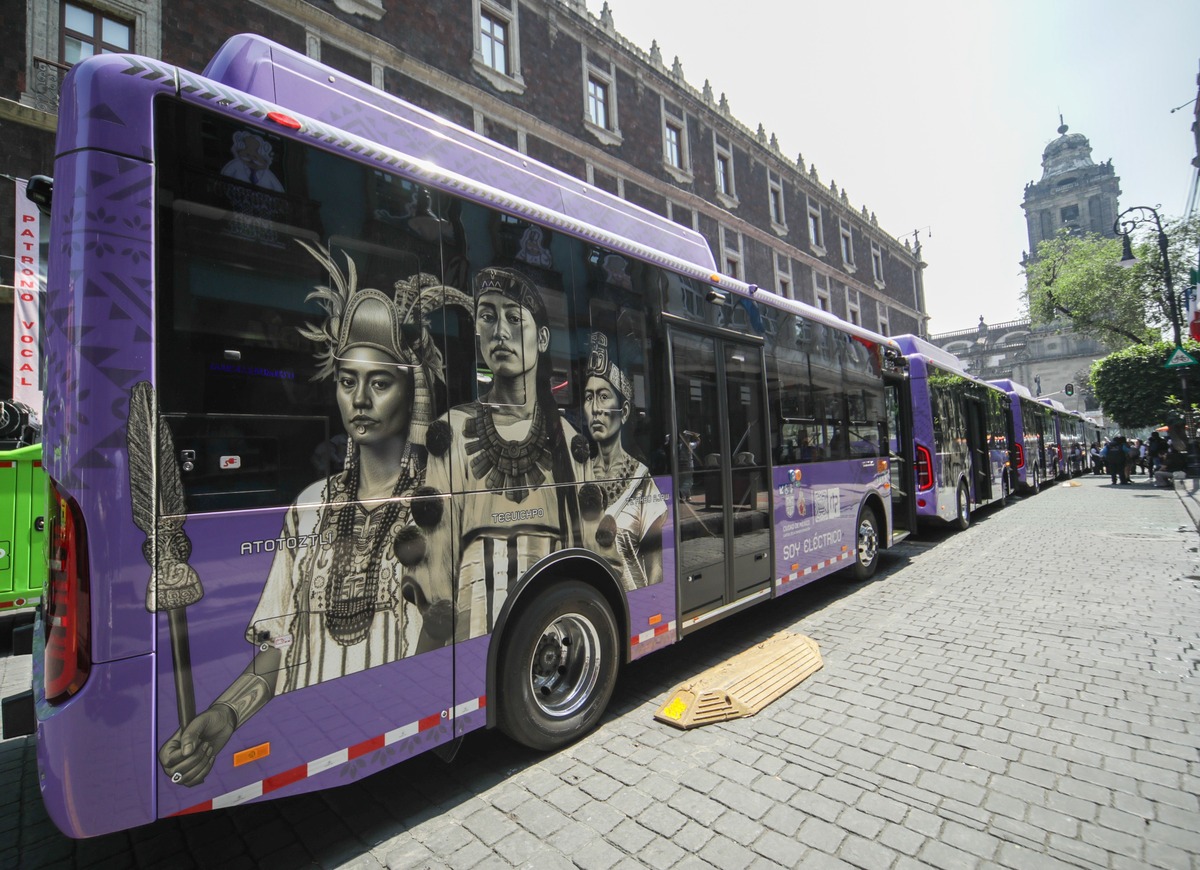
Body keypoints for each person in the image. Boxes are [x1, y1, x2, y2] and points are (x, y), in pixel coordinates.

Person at [158, 247, 464, 787]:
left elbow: (446, 640)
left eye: (380, 382)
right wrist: (224, 716)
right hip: (318, 732)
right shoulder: (307, 508)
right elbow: (277, 650)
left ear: (411, 389)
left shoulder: (437, 506)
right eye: (348, 381)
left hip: (396, 727)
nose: (360, 399)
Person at [421, 266, 587, 641]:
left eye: (514, 318)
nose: (499, 332)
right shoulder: (451, 433)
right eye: (487, 317)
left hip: (554, 621)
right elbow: (438, 565)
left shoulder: (568, 440)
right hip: (469, 633)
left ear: (542, 338)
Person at [579, 332, 666, 591]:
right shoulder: (577, 475)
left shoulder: (643, 482)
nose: (595, 408)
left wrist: (651, 604)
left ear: (624, 411)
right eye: (588, 397)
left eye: (604, 396)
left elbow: (654, 567)